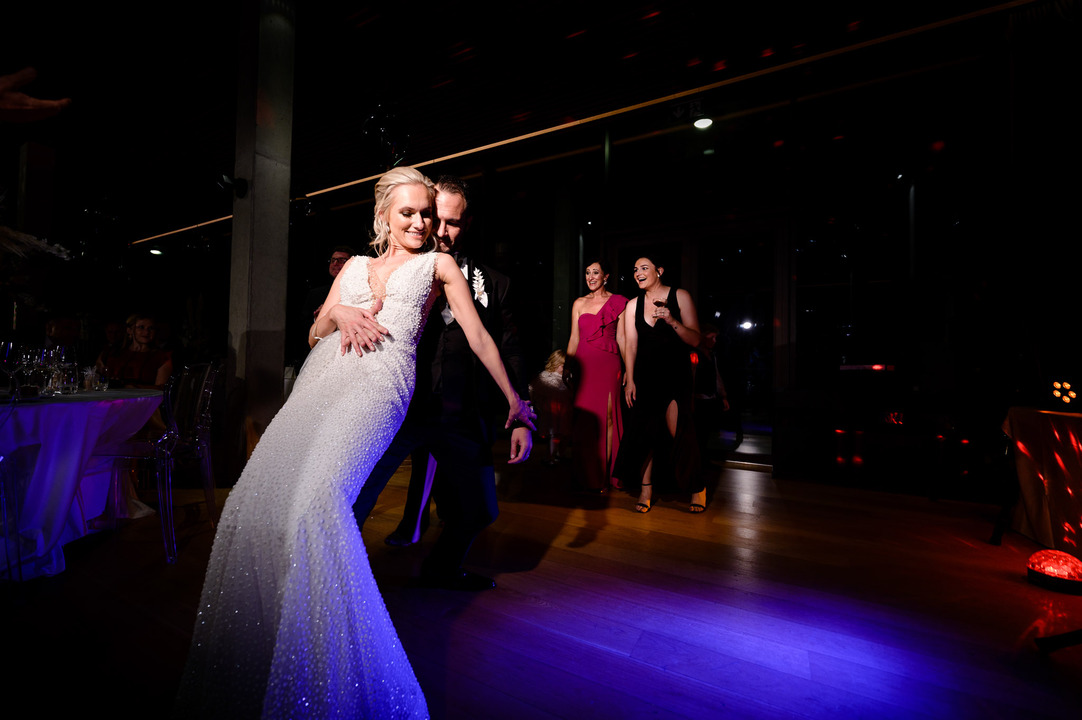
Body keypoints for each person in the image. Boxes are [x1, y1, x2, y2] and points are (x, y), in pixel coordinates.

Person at [175, 168, 534, 718]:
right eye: (409, 212)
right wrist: (337, 311)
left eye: (427, 214)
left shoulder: (440, 265)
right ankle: (262, 643)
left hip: (380, 385)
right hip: (324, 377)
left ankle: (331, 662)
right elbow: (316, 331)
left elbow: (482, 336)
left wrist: (515, 400)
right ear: (384, 216)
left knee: (317, 505)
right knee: (255, 500)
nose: (420, 222)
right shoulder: (356, 267)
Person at [351, 175, 533, 590]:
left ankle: (442, 568)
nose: (443, 232)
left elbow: (509, 349)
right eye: (438, 219)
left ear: (466, 224)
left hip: (460, 413)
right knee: (358, 499)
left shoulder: (495, 283)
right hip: (400, 409)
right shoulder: (395, 270)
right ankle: (341, 584)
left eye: (454, 223)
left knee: (480, 509)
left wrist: (519, 411)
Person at [614, 255, 704, 513]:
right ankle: (646, 490)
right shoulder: (632, 305)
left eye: (644, 268)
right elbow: (630, 345)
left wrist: (672, 321)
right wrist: (630, 379)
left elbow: (696, 340)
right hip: (645, 376)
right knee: (644, 435)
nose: (638, 273)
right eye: (635, 269)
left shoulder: (680, 296)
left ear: (659, 270)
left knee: (680, 433)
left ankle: (697, 488)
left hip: (675, 375)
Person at [566, 259, 628, 491]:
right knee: (584, 421)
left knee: (609, 419)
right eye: (587, 273)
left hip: (609, 364)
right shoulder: (579, 303)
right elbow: (573, 337)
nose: (591, 277)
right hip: (583, 365)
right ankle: (585, 474)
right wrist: (567, 366)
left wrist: (629, 370)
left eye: (596, 273)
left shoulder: (618, 302)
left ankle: (604, 475)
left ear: (606, 276)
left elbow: (622, 338)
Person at [96, 314, 172, 388]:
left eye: (151, 328)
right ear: (130, 330)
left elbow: (162, 388)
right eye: (141, 327)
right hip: (111, 399)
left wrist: (135, 387)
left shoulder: (161, 357)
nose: (146, 332)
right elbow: (95, 377)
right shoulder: (112, 353)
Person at [530, 349, 573, 464]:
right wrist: (534, 403)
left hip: (565, 410)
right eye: (562, 366)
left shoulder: (568, 377)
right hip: (552, 411)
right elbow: (533, 389)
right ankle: (550, 457)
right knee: (554, 434)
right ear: (556, 364)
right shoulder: (546, 377)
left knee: (565, 434)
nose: (564, 368)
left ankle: (561, 454)